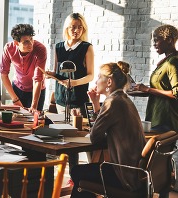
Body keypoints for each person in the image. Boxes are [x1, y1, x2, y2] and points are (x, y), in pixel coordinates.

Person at [71, 61, 146, 197]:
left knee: (77, 171)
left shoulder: (112, 102)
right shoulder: (124, 99)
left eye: (99, 77)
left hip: (124, 175)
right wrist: (95, 104)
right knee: (84, 173)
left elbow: (94, 137)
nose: (96, 80)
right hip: (135, 172)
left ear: (109, 82)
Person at [46, 13, 94, 117]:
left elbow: (91, 75)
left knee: (78, 131)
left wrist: (74, 82)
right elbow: (57, 73)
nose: (76, 30)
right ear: (67, 28)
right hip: (60, 100)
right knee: (63, 131)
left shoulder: (87, 47)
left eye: (80, 27)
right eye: (73, 27)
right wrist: (49, 74)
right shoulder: (58, 47)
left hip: (79, 101)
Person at [134, 24, 178, 133]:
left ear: (169, 40)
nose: (154, 45)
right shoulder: (166, 61)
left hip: (166, 120)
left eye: (156, 40)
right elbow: (162, 88)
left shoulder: (173, 62)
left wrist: (148, 90)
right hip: (156, 117)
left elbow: (176, 93)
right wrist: (142, 90)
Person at [0, 24, 47, 113]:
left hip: (37, 89)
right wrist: (15, 99)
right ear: (16, 43)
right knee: (17, 119)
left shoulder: (40, 49)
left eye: (31, 39)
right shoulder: (9, 48)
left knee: (35, 119)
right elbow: (4, 74)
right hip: (18, 87)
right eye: (26, 42)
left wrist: (33, 106)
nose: (30, 44)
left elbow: (38, 79)